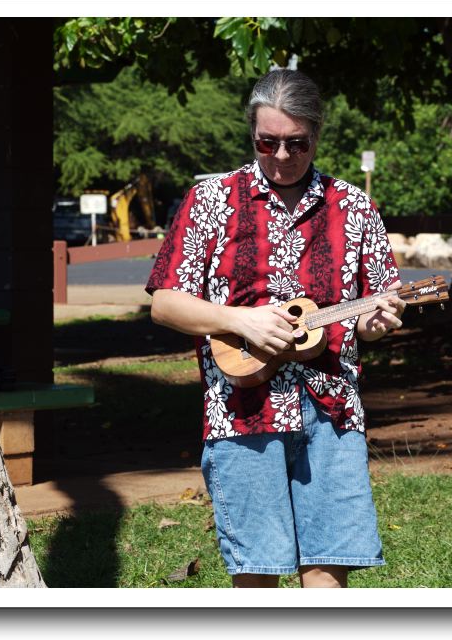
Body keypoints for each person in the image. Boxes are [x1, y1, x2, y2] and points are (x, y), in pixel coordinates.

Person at [146, 69, 405, 588]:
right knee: (257, 574)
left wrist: (378, 323)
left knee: (328, 567)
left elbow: (377, 312)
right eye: (268, 143)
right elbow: (166, 303)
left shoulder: (354, 207)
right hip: (240, 412)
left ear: (317, 136)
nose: (282, 157)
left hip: (332, 411)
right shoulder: (211, 201)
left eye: (296, 144)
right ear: (252, 135)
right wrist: (238, 319)